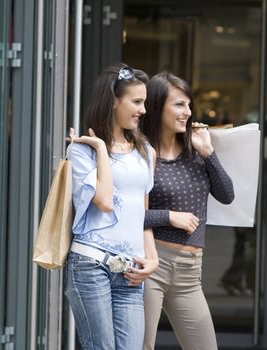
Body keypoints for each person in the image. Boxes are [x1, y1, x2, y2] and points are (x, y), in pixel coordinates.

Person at [65, 63, 159, 349]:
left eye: (144, 102)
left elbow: (142, 211)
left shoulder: (146, 151)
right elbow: (105, 201)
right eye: (137, 101)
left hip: (130, 270)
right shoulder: (81, 151)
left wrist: (151, 257)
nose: (143, 110)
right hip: (91, 265)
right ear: (113, 101)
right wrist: (102, 150)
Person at [141, 72, 235, 350]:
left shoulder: (195, 151)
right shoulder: (142, 154)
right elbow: (124, 213)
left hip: (190, 271)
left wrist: (208, 153)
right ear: (158, 107)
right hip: (151, 264)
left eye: (189, 105)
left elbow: (227, 196)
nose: (188, 112)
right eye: (179, 105)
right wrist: (169, 216)